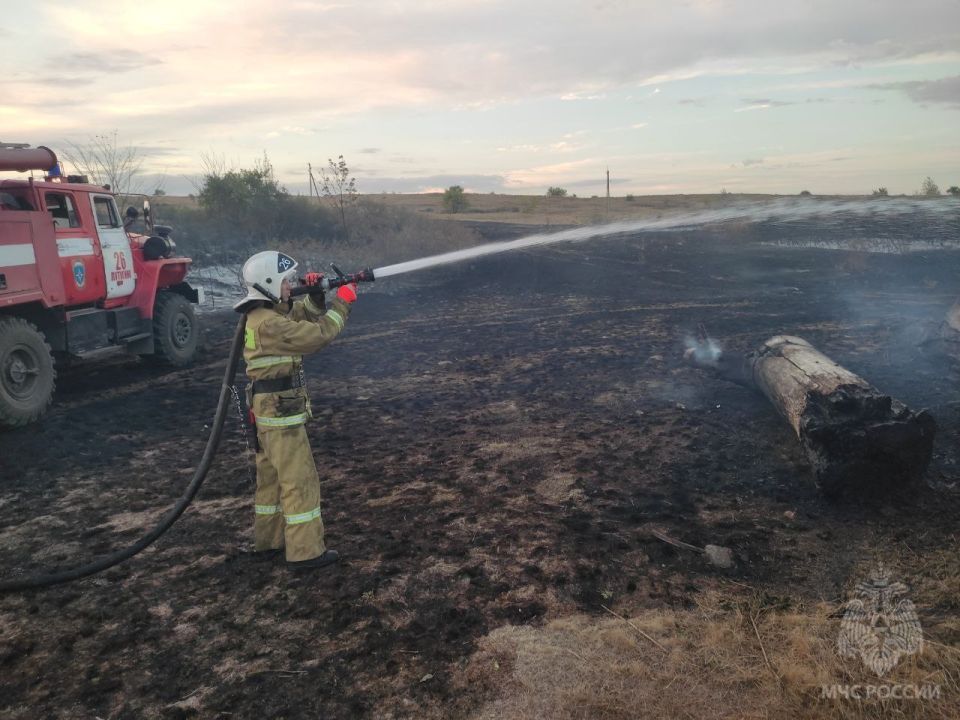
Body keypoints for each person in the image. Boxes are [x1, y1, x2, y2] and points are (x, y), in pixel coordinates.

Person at [233, 251, 357, 569]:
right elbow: (317, 335)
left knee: (271, 480)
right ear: (270, 284)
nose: (290, 286)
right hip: (279, 413)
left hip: (265, 410)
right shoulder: (269, 324)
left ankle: (269, 541)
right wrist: (342, 303)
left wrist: (317, 295)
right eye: (285, 281)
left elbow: (299, 314)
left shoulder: (262, 314)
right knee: (299, 479)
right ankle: (306, 552)